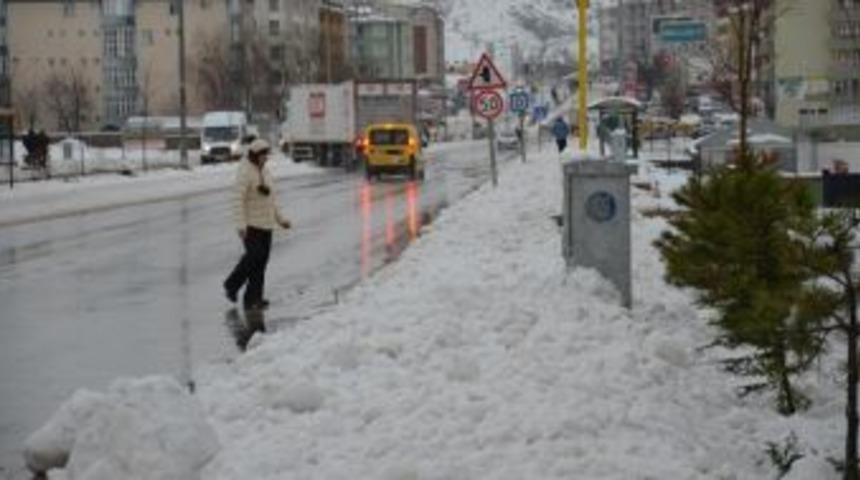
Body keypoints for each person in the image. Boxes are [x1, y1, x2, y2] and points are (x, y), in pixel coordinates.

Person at [223, 139, 291, 310]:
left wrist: (281, 219)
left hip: (267, 225)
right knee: (254, 256)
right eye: (263, 155)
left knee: (261, 263)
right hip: (251, 225)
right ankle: (231, 284)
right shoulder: (245, 171)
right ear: (255, 155)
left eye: (266, 155)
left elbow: (271, 199)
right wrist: (241, 225)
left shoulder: (265, 172)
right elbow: (237, 199)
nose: (265, 158)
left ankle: (253, 298)